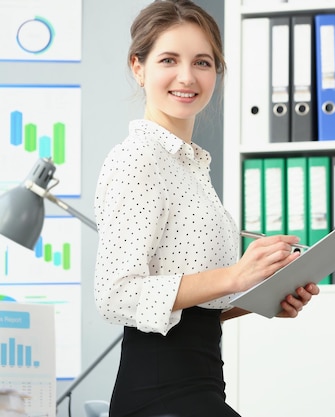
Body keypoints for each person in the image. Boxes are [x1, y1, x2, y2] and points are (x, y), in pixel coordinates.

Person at [93, 1, 320, 416]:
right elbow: (116, 295)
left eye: (202, 61)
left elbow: (193, 317)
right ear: (138, 67)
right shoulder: (138, 159)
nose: (187, 76)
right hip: (159, 396)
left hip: (198, 388)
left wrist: (264, 296)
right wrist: (235, 274)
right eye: (168, 60)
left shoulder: (190, 166)